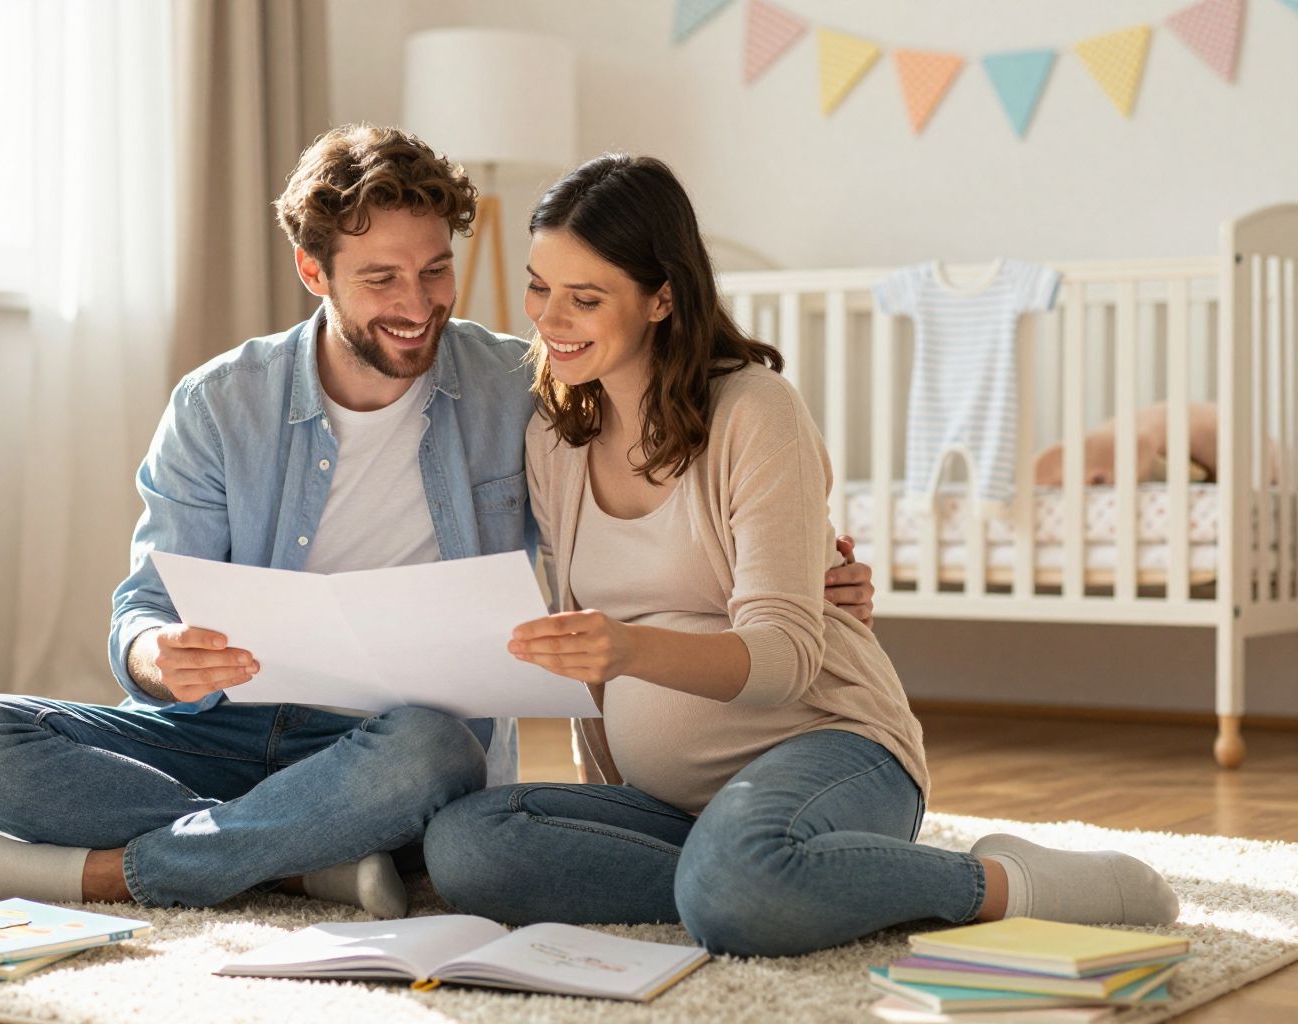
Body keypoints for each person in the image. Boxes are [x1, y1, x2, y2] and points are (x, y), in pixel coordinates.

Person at [0, 126, 880, 916]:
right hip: (217, 732)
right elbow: (144, 604)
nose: (417, 306)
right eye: (382, 278)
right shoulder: (219, 404)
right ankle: (296, 860)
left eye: (435, 271)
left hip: (396, 751)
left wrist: (804, 571)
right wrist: (160, 653)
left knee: (430, 746)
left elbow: (666, 472)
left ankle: (132, 870)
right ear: (312, 269)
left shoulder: (522, 386)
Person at [423, 154, 1180, 956]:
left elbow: (784, 658)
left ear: (662, 297)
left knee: (737, 883)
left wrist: (628, 646)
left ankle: (1002, 884)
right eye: (540, 287)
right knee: (468, 846)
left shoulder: (754, 411)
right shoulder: (555, 434)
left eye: (586, 298)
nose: (549, 318)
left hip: (828, 750)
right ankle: (769, 877)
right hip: (666, 805)